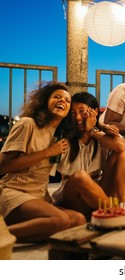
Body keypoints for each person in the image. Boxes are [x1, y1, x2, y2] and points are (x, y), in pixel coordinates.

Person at [0, 81, 85, 243]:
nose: (62, 101)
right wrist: (47, 152)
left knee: (78, 220)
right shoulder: (28, 124)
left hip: (39, 195)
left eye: (67, 101)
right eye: (57, 97)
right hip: (14, 192)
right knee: (61, 221)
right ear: (45, 101)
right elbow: (3, 166)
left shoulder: (59, 136)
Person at [52, 92, 125, 217]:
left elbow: (121, 147)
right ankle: (116, 213)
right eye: (73, 113)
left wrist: (93, 130)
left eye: (83, 112)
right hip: (73, 196)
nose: (77, 118)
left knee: (122, 154)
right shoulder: (65, 137)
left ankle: (123, 206)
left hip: (99, 191)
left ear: (95, 112)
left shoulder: (102, 136)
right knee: (81, 177)